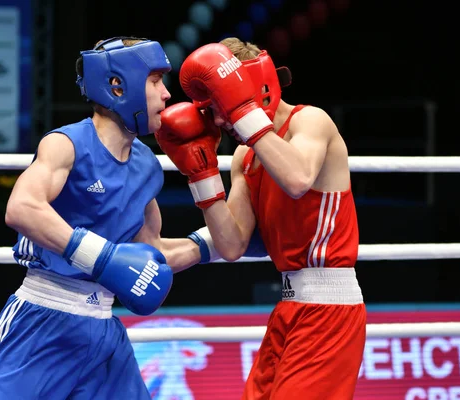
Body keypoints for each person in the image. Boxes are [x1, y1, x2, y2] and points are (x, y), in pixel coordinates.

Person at [0, 37, 204, 400]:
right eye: (156, 81)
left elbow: (150, 254)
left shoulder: (146, 165)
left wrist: (211, 244)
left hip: (103, 331)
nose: (167, 95)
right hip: (41, 321)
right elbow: (22, 207)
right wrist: (100, 257)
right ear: (118, 84)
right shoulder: (67, 144)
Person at [156, 37, 366, 400]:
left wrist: (244, 112)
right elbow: (232, 244)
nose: (220, 120)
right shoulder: (244, 156)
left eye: (222, 105)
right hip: (288, 308)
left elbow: (298, 179)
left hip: (330, 310)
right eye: (211, 110)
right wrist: (201, 177)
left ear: (252, 90)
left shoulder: (311, 121)